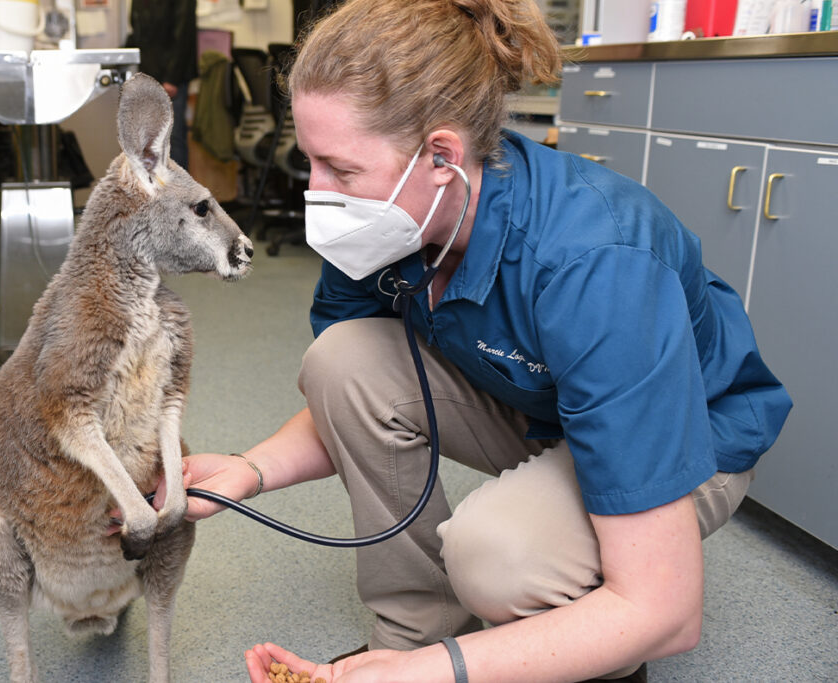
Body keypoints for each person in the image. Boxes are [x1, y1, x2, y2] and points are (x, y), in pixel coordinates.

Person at [143, 1, 792, 680]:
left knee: (499, 556)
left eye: (341, 168)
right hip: (545, 406)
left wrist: (439, 674)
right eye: (311, 162)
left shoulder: (597, 260)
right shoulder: (385, 219)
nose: (319, 193)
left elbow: (667, 609)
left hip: (689, 440)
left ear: (442, 157)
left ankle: (589, 647)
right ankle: (415, 632)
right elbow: (355, 397)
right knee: (339, 358)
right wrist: (250, 469)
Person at [127, 0, 198, 169]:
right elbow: (138, 33)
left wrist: (172, 78)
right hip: (148, 75)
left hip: (171, 77)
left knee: (173, 140)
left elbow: (184, 35)